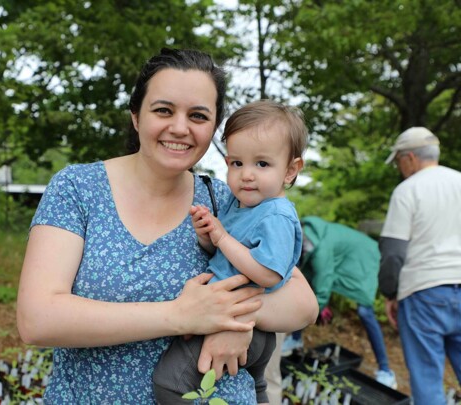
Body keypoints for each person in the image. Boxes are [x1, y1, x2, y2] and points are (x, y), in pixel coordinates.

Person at [16, 47, 318, 405]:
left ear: (213, 129)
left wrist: (233, 320)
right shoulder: (78, 189)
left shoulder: (229, 200)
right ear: (136, 116)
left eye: (198, 115)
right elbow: (37, 320)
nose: (180, 127)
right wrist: (179, 316)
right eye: (163, 110)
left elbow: (302, 304)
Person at [153, 100, 307, 404]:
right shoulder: (241, 205)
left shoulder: (275, 215)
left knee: (171, 384)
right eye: (237, 163)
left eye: (261, 164)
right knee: (255, 385)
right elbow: (225, 256)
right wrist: (209, 237)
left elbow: (268, 273)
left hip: (243, 322)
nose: (246, 175)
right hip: (233, 319)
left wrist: (222, 238)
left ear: (290, 170)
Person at [379, 127, 461, 404]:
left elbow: (393, 253)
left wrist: (390, 293)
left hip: (424, 293)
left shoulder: (407, 190)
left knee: (427, 381)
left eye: (399, 161)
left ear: (410, 158)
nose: (400, 168)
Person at [281, 216, 398, 389]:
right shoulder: (306, 236)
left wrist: (317, 309)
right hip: (352, 254)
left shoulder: (321, 249)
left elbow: (323, 283)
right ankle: (296, 340)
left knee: (365, 311)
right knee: (311, 294)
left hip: (366, 259)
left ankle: (386, 371)